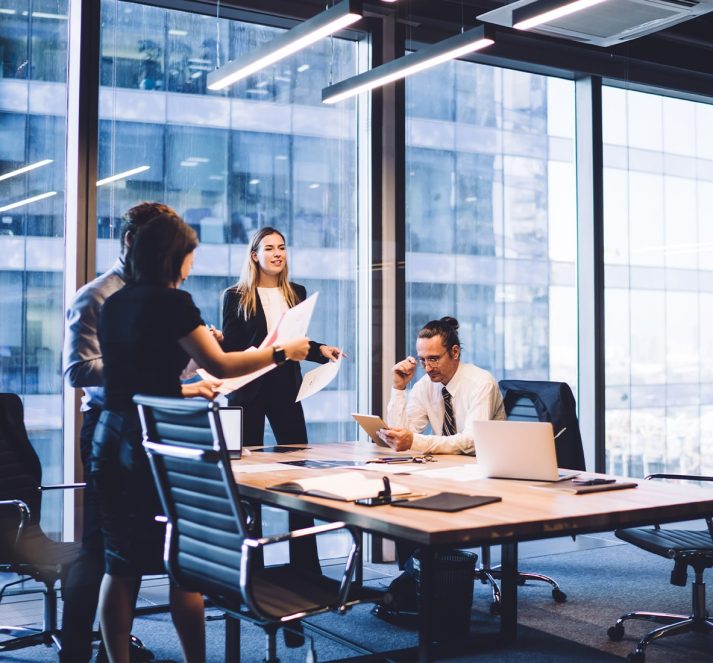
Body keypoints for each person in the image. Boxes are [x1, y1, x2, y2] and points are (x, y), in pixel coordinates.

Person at [91, 212, 309, 663]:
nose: (191, 264)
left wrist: (186, 384)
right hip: (156, 440)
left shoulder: (115, 302)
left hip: (109, 439)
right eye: (190, 254)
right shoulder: (173, 303)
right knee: (184, 563)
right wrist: (285, 351)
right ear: (175, 257)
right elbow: (224, 365)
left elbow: (137, 378)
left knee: (120, 563)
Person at [61, 201, 180, 663]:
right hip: (109, 430)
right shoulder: (97, 295)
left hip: (151, 426)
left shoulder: (157, 294)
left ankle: (117, 641)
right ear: (132, 242)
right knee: (99, 544)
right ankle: (73, 651)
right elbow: (78, 370)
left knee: (129, 550)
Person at [221, 226, 342, 446]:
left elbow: (294, 340)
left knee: (297, 453)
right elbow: (232, 348)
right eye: (269, 249)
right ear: (255, 256)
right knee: (241, 461)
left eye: (282, 248)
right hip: (247, 388)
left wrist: (320, 349)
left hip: (285, 386)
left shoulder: (296, 293)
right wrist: (219, 340)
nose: (278, 253)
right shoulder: (235, 296)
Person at [382, 316, 505, 455]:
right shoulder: (424, 385)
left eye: (433, 359)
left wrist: (414, 442)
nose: (427, 368)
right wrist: (398, 388)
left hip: (483, 466)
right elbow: (401, 439)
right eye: (423, 360)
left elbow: (472, 442)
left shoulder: (481, 383)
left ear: (455, 352)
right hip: (445, 465)